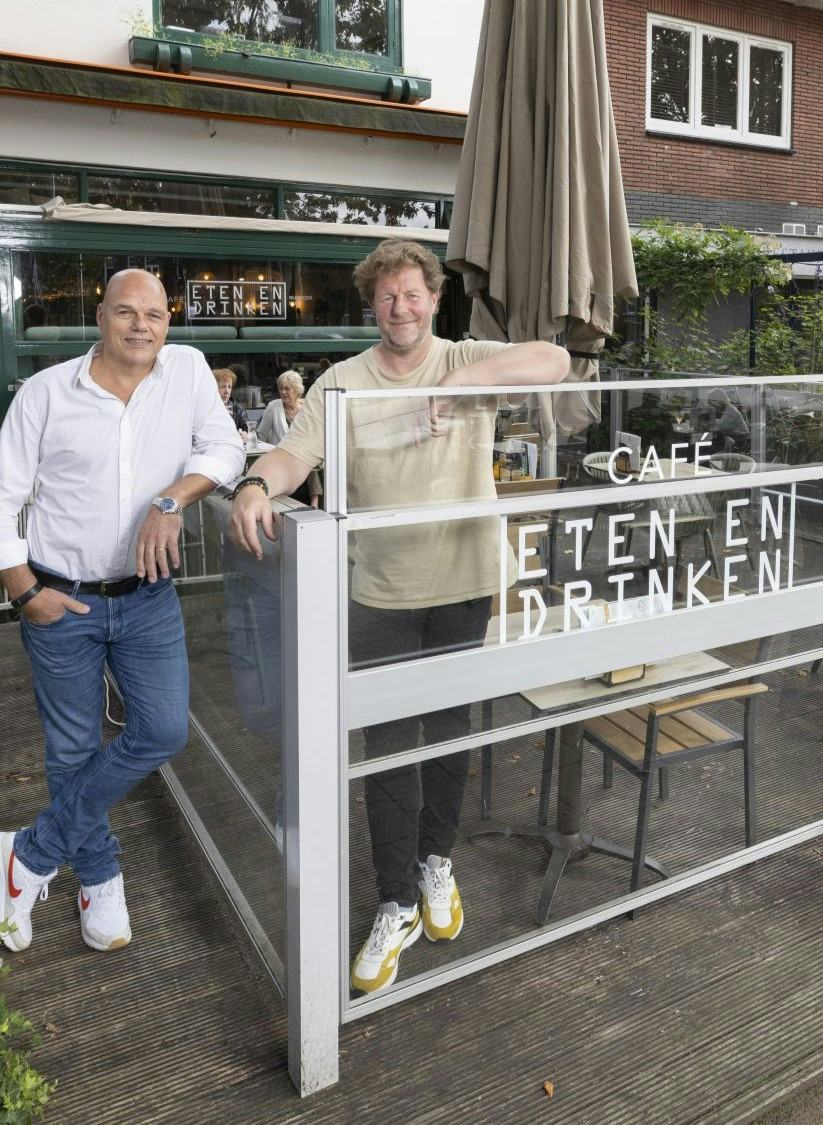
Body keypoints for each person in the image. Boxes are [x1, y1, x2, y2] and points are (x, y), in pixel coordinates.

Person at [227, 239, 567, 994]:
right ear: (370, 304)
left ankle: (436, 861)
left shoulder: (461, 358)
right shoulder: (342, 382)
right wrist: (254, 483)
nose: (401, 308)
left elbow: (555, 361)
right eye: (387, 297)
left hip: (464, 581)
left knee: (449, 731)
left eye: (413, 294)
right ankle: (395, 899)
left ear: (434, 299)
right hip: (377, 587)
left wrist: (470, 380)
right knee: (386, 747)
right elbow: (295, 457)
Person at [0, 268, 242, 954]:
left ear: (168, 322)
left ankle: (27, 855)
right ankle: (98, 875)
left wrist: (172, 498)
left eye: (154, 313)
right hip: (63, 598)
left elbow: (226, 446)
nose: (141, 325)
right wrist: (27, 593)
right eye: (126, 312)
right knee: (72, 748)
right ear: (100, 316)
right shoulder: (46, 393)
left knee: (162, 729)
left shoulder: (186, 371)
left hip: (147, 596)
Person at [254, 369, 320, 505]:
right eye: (280, 388)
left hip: (303, 455)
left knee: (310, 460)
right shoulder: (273, 407)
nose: (283, 392)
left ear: (296, 390)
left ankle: (315, 502)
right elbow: (260, 435)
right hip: (281, 456)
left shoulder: (308, 407)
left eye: (287, 389)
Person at [212, 366, 254, 436]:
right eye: (222, 387)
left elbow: (246, 426)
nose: (227, 391)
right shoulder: (207, 408)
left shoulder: (237, 408)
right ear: (213, 388)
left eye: (229, 387)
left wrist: (244, 433)